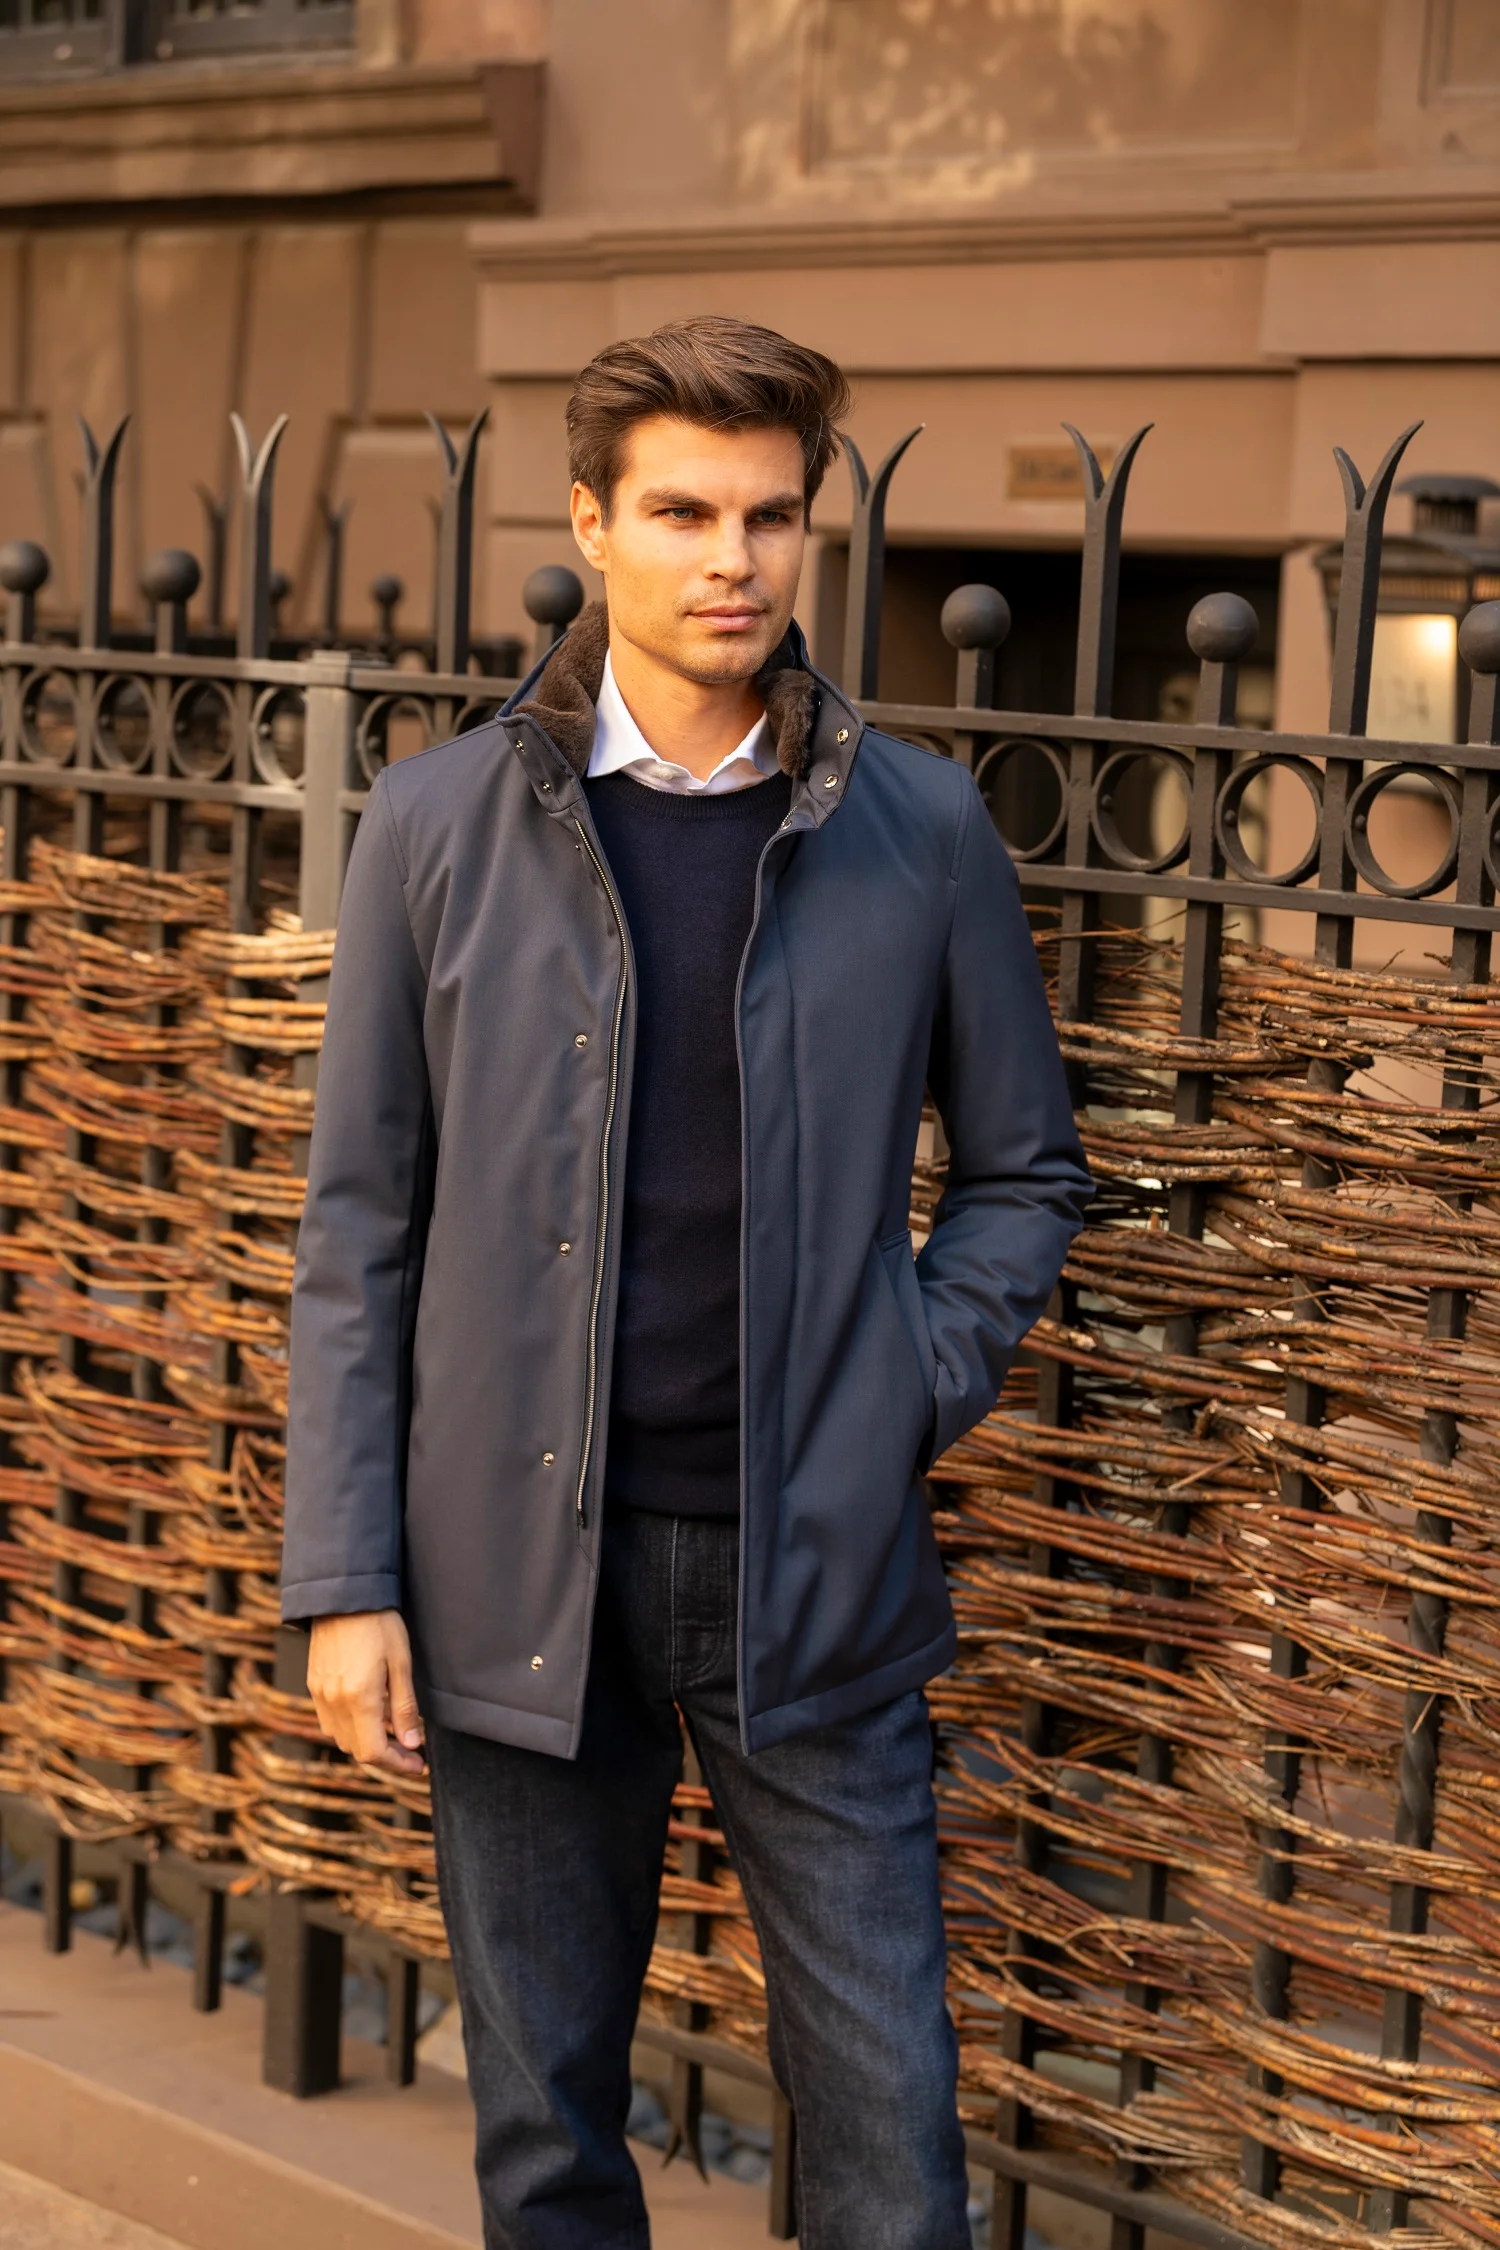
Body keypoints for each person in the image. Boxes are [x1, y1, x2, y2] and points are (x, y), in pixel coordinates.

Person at [280, 314, 1091, 2250]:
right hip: (512, 1577)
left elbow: (1026, 1170)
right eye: (682, 512)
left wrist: (901, 1379)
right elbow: (360, 1229)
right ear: (591, 523)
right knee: (548, 2133)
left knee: (890, 2135)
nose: (733, 558)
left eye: (769, 515)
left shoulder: (919, 829)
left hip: (813, 1566)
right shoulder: (439, 825)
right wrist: (346, 1579)